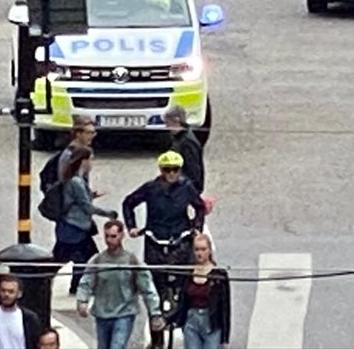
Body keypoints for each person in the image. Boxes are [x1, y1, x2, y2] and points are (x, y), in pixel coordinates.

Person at [76, 219, 164, 349]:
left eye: (113, 236)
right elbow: (86, 282)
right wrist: (82, 300)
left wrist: (155, 312)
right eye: (107, 236)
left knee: (117, 346)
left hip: (124, 313)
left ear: (122, 236)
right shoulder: (97, 260)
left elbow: (147, 288)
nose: (109, 240)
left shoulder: (132, 261)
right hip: (102, 314)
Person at [122, 152, 206, 267]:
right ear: (161, 170)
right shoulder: (150, 188)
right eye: (167, 170)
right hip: (155, 239)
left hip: (180, 239)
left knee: (182, 274)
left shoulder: (187, 187)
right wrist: (131, 227)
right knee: (155, 275)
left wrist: (197, 227)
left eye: (175, 169)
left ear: (180, 170)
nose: (171, 173)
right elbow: (128, 203)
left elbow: (200, 207)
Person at [53, 147, 117, 295]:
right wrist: (108, 213)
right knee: (79, 258)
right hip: (73, 227)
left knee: (82, 258)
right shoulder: (76, 181)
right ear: (84, 161)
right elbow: (86, 207)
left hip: (74, 227)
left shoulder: (77, 180)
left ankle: (77, 286)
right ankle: (74, 286)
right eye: (91, 159)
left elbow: (79, 200)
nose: (92, 163)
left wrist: (92, 195)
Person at [172, 234, 232, 349]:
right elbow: (182, 300)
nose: (200, 253)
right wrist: (175, 320)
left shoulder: (219, 275)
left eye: (203, 249)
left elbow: (225, 307)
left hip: (212, 322)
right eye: (197, 249)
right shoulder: (187, 272)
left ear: (209, 251)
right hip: (191, 321)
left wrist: (225, 337)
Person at [0, 276, 42, 349]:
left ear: (19, 294)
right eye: (3, 290)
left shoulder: (29, 319)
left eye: (11, 291)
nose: (6, 294)